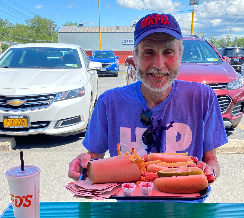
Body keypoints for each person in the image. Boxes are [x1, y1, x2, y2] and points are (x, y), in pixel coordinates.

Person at [68, 13, 228, 189]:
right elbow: (94, 160)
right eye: (148, 52)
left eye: (168, 52)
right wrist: (84, 167)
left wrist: (209, 172)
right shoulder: (109, 103)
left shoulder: (202, 98)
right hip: (128, 213)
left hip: (188, 211)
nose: (159, 65)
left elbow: (211, 160)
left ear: (180, 55)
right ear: (135, 57)